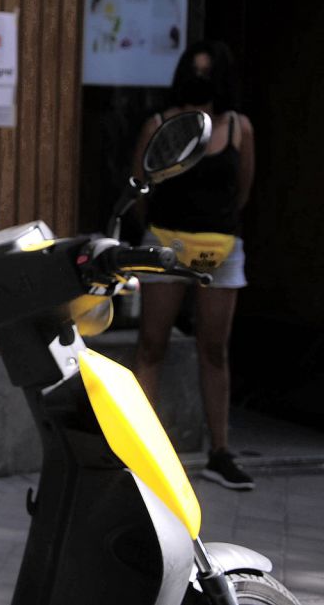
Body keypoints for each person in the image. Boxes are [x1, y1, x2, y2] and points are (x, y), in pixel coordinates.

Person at [132, 40, 255, 490]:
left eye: (209, 71)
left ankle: (219, 452)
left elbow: (242, 192)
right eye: (193, 70)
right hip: (165, 243)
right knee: (151, 345)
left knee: (215, 349)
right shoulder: (159, 125)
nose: (200, 79)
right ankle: (142, 451)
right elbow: (141, 189)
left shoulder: (239, 128)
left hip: (221, 250)